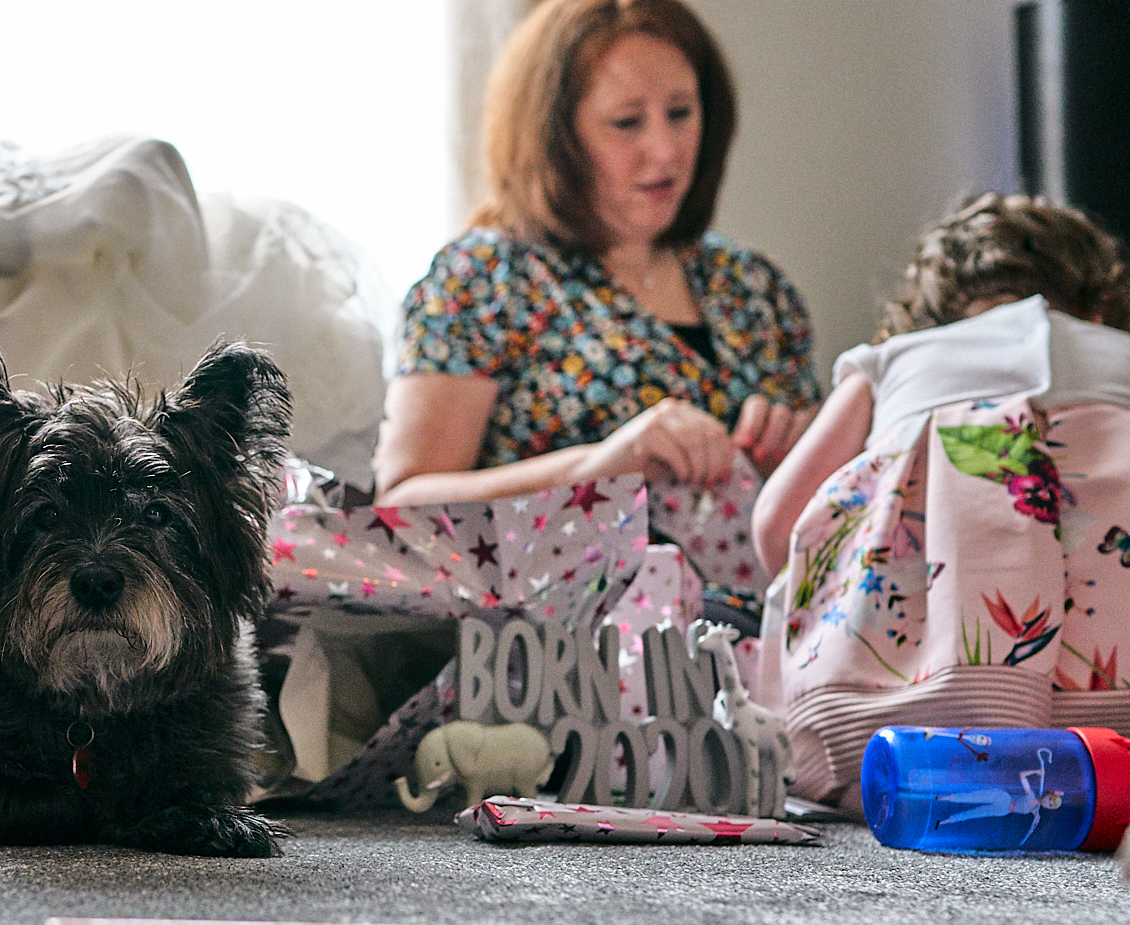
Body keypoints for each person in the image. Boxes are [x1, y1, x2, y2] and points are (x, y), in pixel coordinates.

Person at [752, 192, 1130, 811]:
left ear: (931, 310)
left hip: (915, 712)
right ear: (1100, 301)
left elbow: (777, 526)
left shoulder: (892, 363)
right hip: (1111, 707)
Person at [373, 0, 819, 511]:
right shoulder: (484, 280)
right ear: (556, 138)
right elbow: (402, 504)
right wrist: (598, 467)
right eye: (628, 122)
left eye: (681, 114)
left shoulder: (755, 288)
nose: (667, 149)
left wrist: (802, 457)